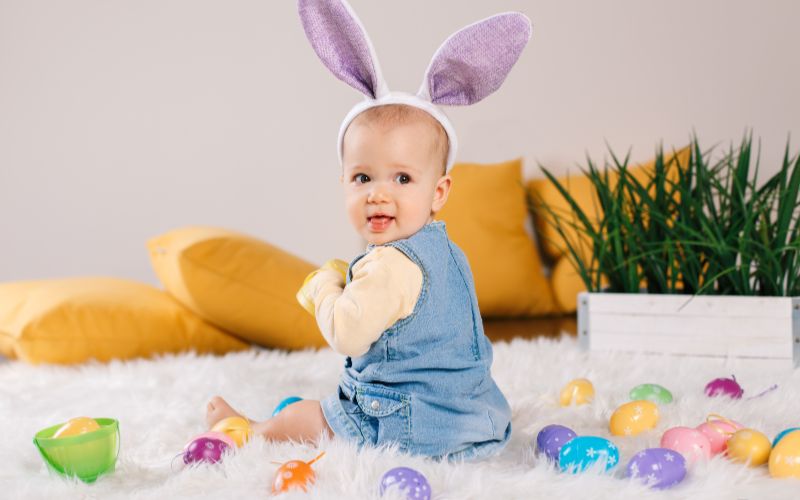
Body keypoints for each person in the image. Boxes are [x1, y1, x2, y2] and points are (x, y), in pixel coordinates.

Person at [207, 0, 532, 461]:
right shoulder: (447, 252)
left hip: (413, 426)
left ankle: (255, 431)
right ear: (343, 183)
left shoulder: (392, 265)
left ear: (438, 192)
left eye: (402, 178)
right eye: (363, 178)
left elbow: (347, 333)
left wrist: (325, 288)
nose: (379, 194)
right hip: (476, 419)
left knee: (307, 416)